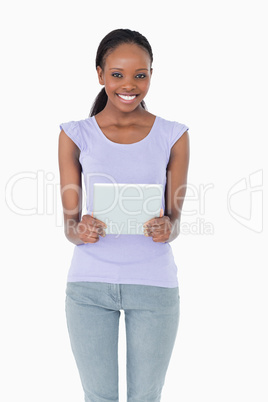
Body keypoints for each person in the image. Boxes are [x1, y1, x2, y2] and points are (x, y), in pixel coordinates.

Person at [58, 28, 190, 402]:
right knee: (98, 398)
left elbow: (175, 216)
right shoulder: (75, 134)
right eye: (117, 74)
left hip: (153, 286)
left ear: (151, 74)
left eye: (140, 74)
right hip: (88, 288)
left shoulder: (173, 135)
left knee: (145, 397)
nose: (128, 85)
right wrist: (78, 229)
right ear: (100, 74)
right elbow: (69, 223)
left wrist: (169, 226)